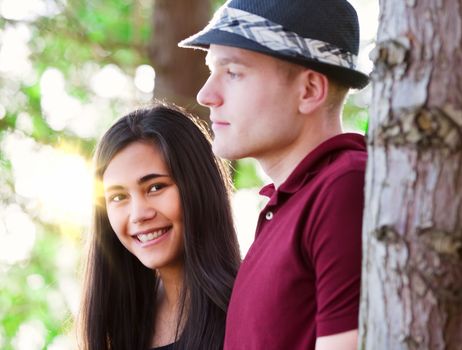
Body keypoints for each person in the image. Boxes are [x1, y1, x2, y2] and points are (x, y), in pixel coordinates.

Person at [179, 0, 369, 349]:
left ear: (309, 90)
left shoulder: (344, 187)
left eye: (233, 72)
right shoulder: (288, 203)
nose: (206, 95)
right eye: (211, 70)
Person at [78, 104, 241, 350]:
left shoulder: (248, 307)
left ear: (199, 188)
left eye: (155, 187)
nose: (138, 215)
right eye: (118, 197)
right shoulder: (116, 320)